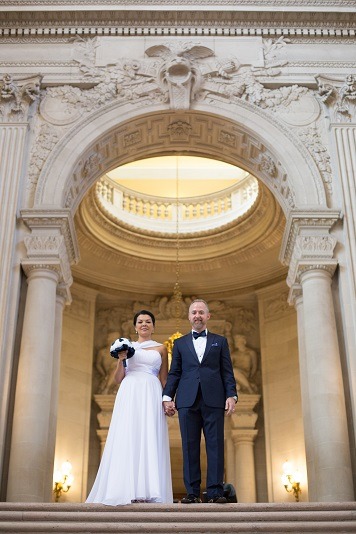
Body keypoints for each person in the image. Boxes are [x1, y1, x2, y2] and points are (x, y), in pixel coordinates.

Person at [86, 310, 173, 505]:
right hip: (129, 391)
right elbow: (118, 378)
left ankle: (148, 491)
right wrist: (121, 359)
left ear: (153, 326)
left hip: (151, 391)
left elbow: (164, 378)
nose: (144, 324)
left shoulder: (161, 348)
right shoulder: (126, 347)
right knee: (128, 435)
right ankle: (125, 489)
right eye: (140, 321)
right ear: (134, 326)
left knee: (149, 435)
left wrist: (167, 399)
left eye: (148, 321)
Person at [162, 299, 237, 504]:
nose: (197, 315)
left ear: (208, 316)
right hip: (187, 400)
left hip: (214, 399)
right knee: (189, 445)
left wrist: (232, 395)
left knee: (215, 445)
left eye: (201, 312)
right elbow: (175, 372)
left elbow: (226, 371)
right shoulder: (179, 343)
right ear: (189, 316)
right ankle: (192, 493)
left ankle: (214, 491)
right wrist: (167, 397)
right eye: (194, 312)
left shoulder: (220, 341)